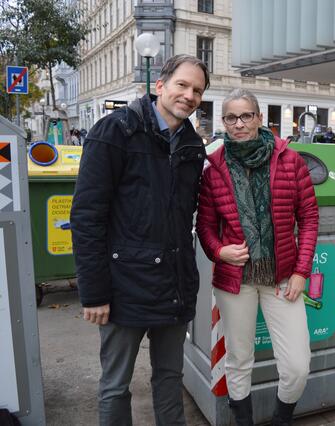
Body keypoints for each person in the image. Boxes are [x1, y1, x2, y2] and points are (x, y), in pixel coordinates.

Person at [70, 54, 209, 426]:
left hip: (174, 285)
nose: (189, 95)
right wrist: (94, 292)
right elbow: (86, 217)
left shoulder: (192, 145)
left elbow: (185, 218)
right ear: (160, 85)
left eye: (197, 90)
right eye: (182, 85)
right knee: (115, 385)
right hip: (122, 287)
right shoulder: (115, 131)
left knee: (169, 378)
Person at [196, 88, 319, 426]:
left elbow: (308, 219)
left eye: (246, 116)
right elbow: (205, 226)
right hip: (236, 280)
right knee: (239, 360)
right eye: (231, 118)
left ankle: (282, 419)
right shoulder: (214, 168)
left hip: (282, 277)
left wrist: (300, 272)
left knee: (297, 365)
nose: (239, 124)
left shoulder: (289, 160)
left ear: (259, 118)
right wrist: (219, 251)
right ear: (223, 122)